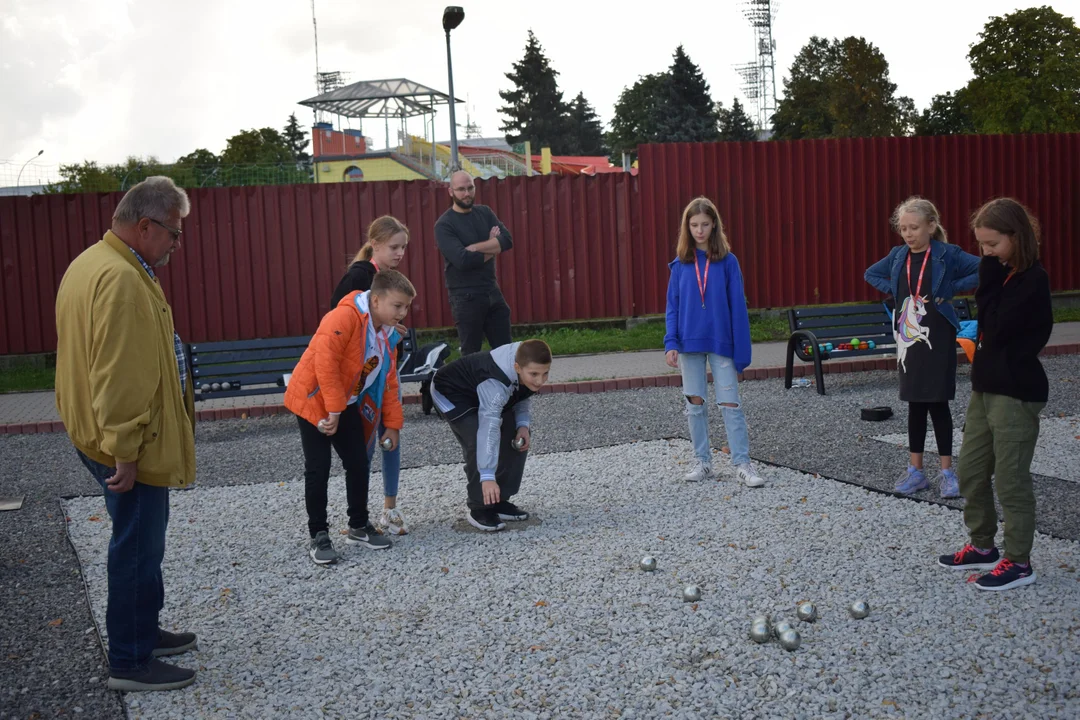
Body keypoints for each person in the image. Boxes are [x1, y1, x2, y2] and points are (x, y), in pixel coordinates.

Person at [55, 176, 198, 692]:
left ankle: (143, 630)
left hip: (96, 431)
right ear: (145, 226)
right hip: (123, 442)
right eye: (174, 234)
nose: (176, 245)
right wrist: (125, 449)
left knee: (142, 541)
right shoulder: (120, 278)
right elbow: (120, 374)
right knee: (137, 546)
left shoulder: (94, 262)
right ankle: (131, 661)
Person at [939, 198, 1053, 591]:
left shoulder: (1032, 280)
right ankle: (983, 546)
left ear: (1015, 237)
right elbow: (988, 320)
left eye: (991, 245)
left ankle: (1019, 561)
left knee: (1010, 480)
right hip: (985, 388)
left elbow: (996, 325)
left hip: (1017, 391)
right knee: (970, 471)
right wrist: (990, 275)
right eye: (982, 246)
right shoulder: (1001, 275)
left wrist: (986, 276)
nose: (985, 253)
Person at [284, 270, 414, 564]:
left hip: (344, 403)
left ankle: (358, 525)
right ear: (377, 300)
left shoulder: (387, 333)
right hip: (314, 400)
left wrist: (392, 425)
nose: (403, 313)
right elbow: (325, 365)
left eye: (406, 307)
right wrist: (333, 411)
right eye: (397, 306)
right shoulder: (342, 318)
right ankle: (318, 534)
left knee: (358, 461)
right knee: (318, 467)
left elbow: (389, 380)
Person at [864, 196, 980, 497]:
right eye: (903, 228)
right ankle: (916, 471)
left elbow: (982, 269)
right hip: (909, 339)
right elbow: (871, 273)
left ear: (931, 225)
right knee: (915, 403)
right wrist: (899, 292)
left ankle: (946, 473)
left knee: (938, 402)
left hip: (938, 335)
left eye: (914, 227)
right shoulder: (897, 255)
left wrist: (951, 289)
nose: (908, 234)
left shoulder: (947, 254)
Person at [664, 197, 765, 488]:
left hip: (722, 342)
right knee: (695, 404)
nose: (699, 230)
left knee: (730, 403)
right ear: (687, 227)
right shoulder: (680, 264)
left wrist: (741, 352)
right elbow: (673, 307)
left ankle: (742, 463)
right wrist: (671, 342)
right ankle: (703, 462)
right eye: (694, 225)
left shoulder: (728, 262)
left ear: (714, 225)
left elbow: (738, 308)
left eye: (704, 224)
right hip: (688, 344)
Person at [330, 215, 411, 536]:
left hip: (385, 370)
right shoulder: (358, 278)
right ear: (374, 244)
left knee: (391, 435)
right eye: (394, 247)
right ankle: (360, 519)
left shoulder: (386, 275)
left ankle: (390, 508)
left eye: (403, 247)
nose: (400, 253)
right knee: (364, 445)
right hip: (364, 377)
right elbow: (342, 328)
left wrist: (392, 331)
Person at [429, 339, 551, 531]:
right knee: (478, 439)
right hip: (452, 392)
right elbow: (488, 427)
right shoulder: (496, 381)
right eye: (534, 374)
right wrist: (487, 476)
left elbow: (522, 394)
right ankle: (479, 507)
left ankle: (499, 499)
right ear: (517, 367)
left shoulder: (527, 360)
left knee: (516, 437)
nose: (540, 380)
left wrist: (523, 425)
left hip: (481, 391)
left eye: (545, 374)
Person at [434, 170, 513, 355]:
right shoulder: (444, 225)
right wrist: (493, 246)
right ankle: (470, 385)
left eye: (470, 188)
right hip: (465, 297)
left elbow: (507, 240)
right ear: (451, 192)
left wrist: (474, 248)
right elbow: (462, 260)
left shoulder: (484, 213)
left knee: (506, 353)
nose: (467, 193)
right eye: (461, 189)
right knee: (471, 355)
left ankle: (508, 385)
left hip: (492, 291)